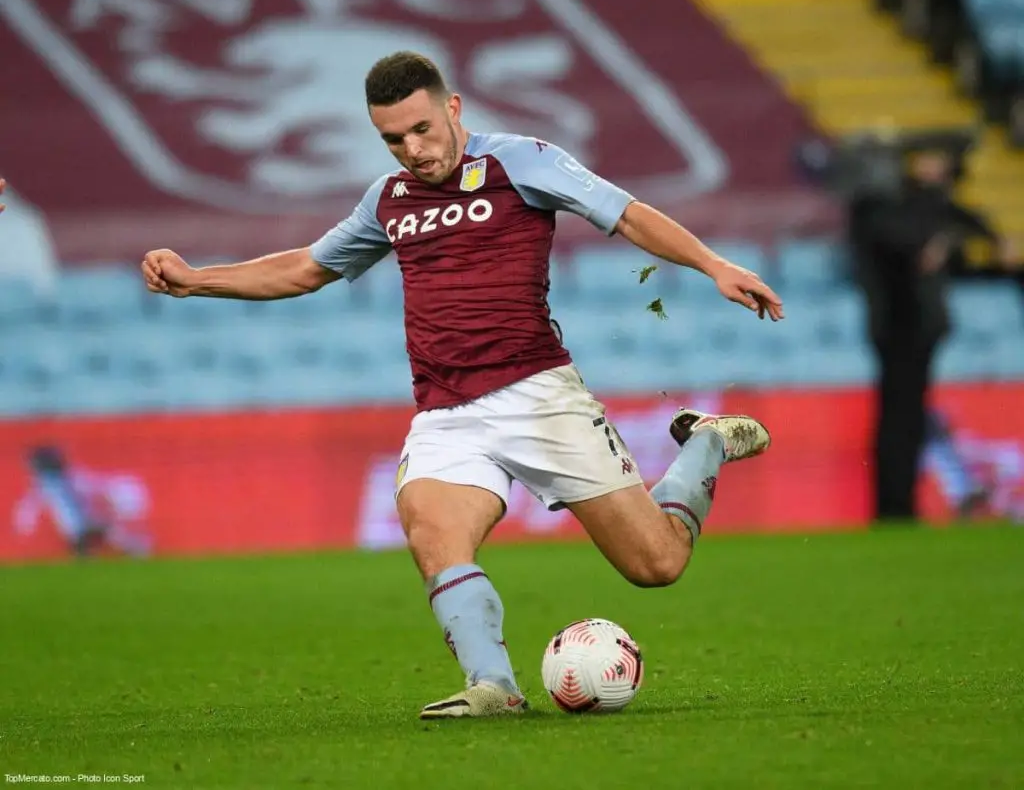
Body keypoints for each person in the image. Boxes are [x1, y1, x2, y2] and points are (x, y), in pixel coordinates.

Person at [136, 52, 784, 719]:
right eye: (393, 139)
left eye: (421, 129)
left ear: (453, 108)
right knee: (432, 530)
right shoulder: (389, 201)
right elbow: (305, 268)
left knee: (657, 564)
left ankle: (704, 447)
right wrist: (198, 279)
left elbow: (624, 212)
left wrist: (711, 264)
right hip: (446, 413)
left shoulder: (519, 161)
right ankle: (495, 686)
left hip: (540, 396)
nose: (412, 150)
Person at [850, 147, 1010, 521]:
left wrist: (953, 241)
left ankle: (899, 506)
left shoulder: (924, 210)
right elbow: (909, 242)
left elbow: (964, 227)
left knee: (905, 417)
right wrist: (945, 241)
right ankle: (894, 507)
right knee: (899, 420)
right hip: (899, 326)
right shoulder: (882, 210)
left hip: (917, 328)